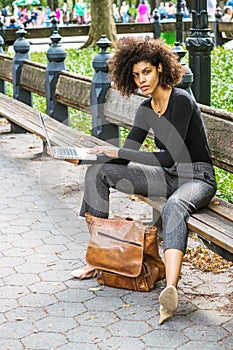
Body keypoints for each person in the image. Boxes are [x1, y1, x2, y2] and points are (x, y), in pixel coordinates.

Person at [69, 36, 216, 325]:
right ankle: (97, 260)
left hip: (196, 176)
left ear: (160, 68)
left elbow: (170, 156)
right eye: (136, 75)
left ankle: (171, 288)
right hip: (168, 176)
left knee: (174, 207)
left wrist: (116, 150)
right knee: (100, 173)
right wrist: (92, 156)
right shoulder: (146, 109)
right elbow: (128, 155)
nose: (141, 80)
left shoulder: (181, 101)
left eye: (146, 72)